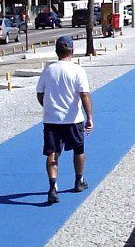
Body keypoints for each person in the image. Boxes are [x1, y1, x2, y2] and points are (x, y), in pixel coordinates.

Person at [37, 36, 93, 204]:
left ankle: (53, 187)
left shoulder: (48, 70)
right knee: (79, 150)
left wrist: (48, 107)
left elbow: (40, 93)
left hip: (52, 120)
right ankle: (79, 180)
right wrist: (89, 117)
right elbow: (84, 95)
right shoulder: (78, 70)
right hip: (73, 119)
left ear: (56, 52)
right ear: (73, 51)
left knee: (52, 153)